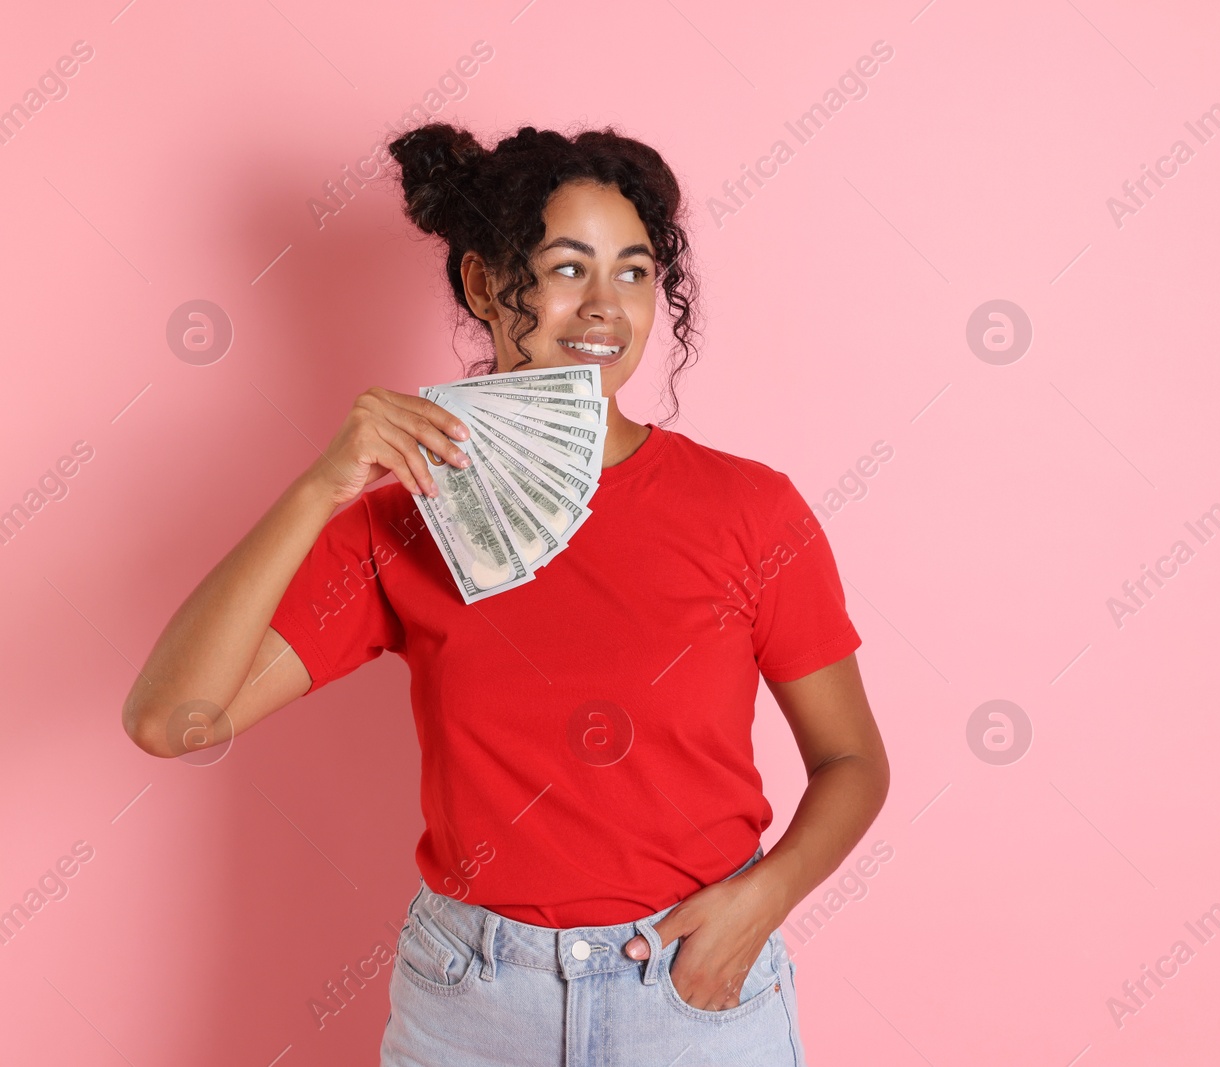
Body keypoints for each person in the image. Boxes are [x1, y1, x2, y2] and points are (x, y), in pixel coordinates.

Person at [122, 121, 890, 1065]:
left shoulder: (751, 509)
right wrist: (324, 484)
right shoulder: (406, 520)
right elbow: (174, 721)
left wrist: (762, 901)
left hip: (693, 990)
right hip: (472, 1004)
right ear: (487, 284)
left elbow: (853, 758)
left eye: (636, 271)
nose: (606, 305)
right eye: (569, 268)